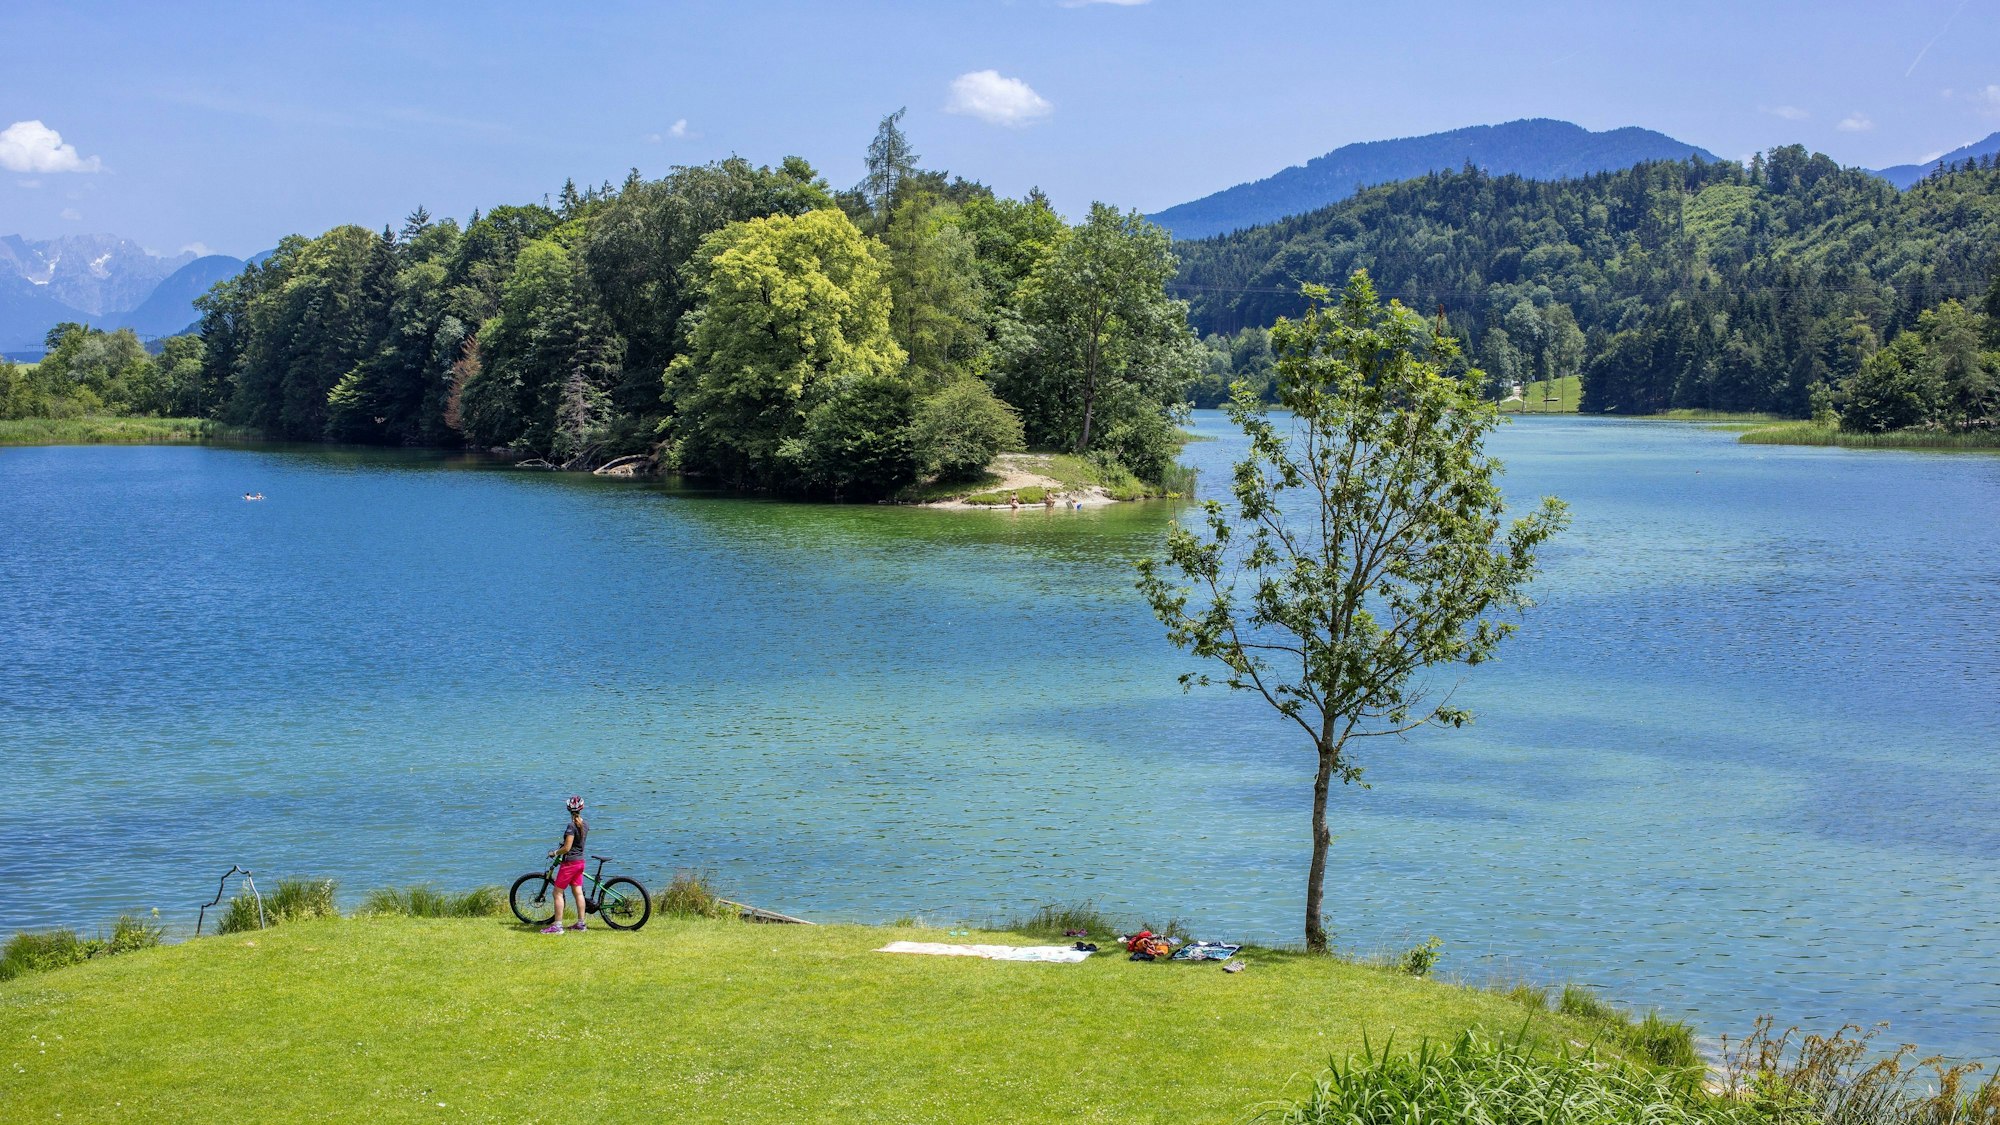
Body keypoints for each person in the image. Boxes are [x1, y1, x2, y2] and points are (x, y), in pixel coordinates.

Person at [544, 795, 589, 934]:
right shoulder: (585, 824)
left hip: (570, 863)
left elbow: (567, 848)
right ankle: (581, 924)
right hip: (580, 862)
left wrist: (555, 852)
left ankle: (557, 926)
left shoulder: (571, 826)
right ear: (582, 808)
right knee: (578, 892)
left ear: (568, 809)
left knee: (557, 892)